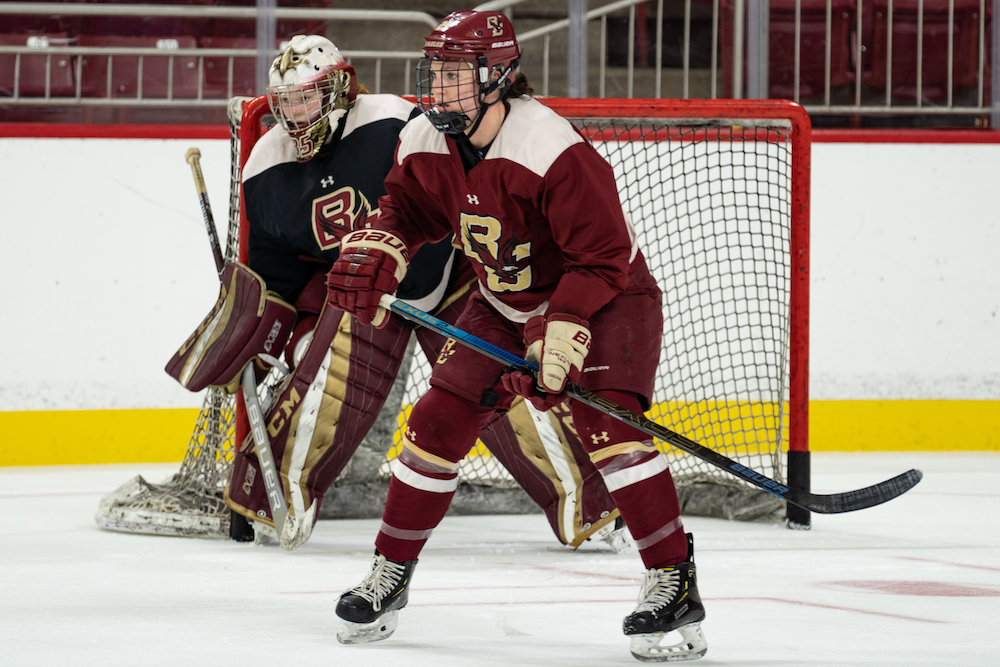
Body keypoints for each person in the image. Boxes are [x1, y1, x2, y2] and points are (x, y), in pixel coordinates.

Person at [325, 11, 707, 662]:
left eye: (455, 75)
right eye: (434, 72)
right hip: (501, 302)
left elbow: (604, 254)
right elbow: (407, 206)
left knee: (610, 432)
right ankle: (390, 570)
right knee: (436, 423)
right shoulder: (423, 137)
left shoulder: (549, 148)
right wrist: (384, 242)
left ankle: (672, 578)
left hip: (606, 297)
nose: (438, 88)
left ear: (498, 76)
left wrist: (558, 335)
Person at [167, 34, 624, 553]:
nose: (296, 115)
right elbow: (278, 274)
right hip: (366, 289)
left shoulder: (393, 120)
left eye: (308, 97)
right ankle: (268, 502)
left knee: (505, 387)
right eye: (286, 102)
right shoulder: (266, 169)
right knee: (323, 390)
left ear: (340, 90)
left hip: (453, 268)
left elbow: (447, 186)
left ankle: (592, 504)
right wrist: (280, 331)